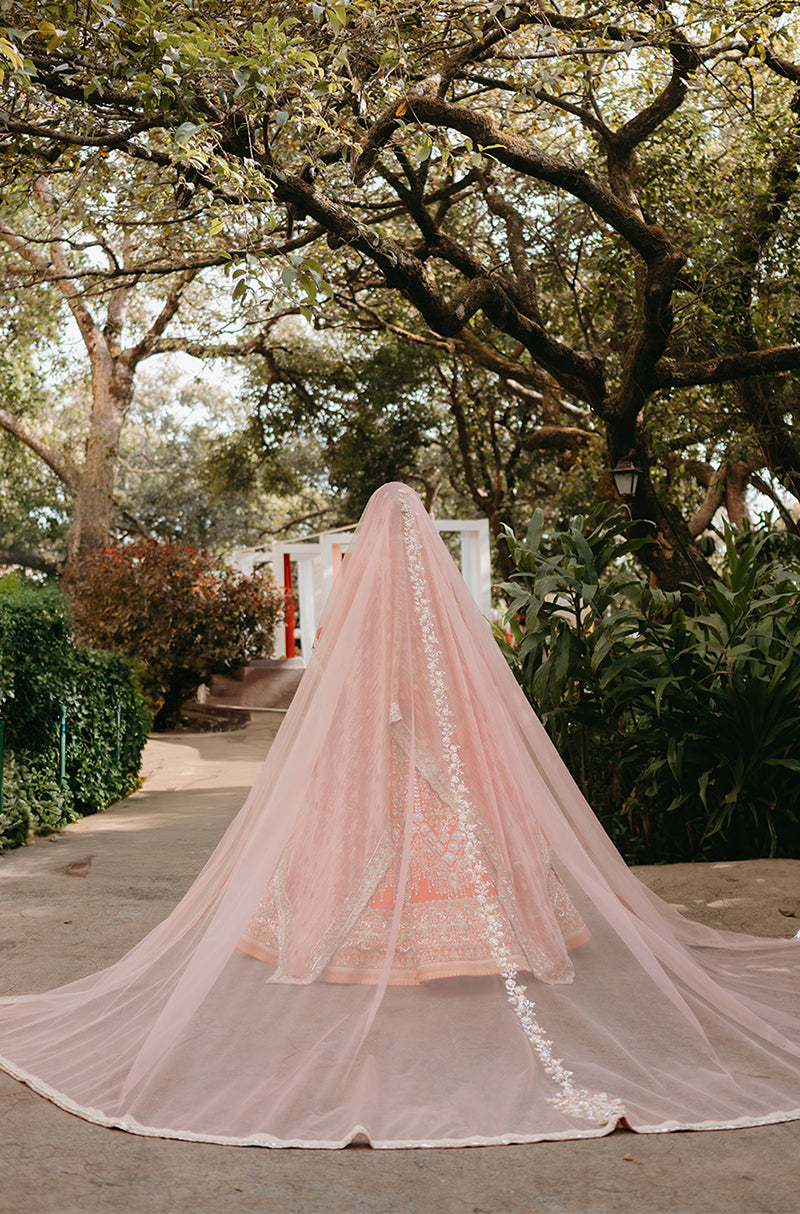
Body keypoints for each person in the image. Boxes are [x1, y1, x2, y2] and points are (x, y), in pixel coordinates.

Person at [0, 483, 798, 1147]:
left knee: (379, 829)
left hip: (392, 742)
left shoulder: (367, 601)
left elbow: (351, 687)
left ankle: (374, 942)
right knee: (443, 831)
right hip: (425, 740)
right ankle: (475, 938)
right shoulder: (437, 606)